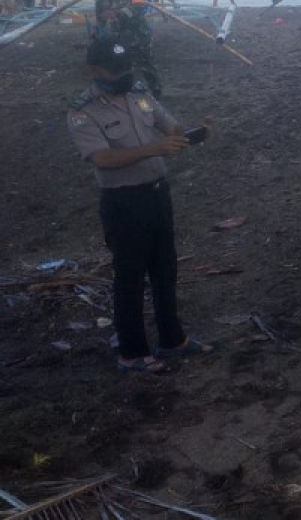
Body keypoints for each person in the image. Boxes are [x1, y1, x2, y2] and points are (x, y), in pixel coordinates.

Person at [67, 38, 214, 373]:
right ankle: (132, 353)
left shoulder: (139, 92)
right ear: (93, 71)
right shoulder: (83, 110)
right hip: (123, 201)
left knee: (165, 270)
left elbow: (169, 126)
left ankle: (172, 340)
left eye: (126, 68)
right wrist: (154, 149)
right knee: (130, 277)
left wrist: (194, 133)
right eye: (114, 70)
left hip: (157, 194)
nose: (123, 75)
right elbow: (102, 158)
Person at [94, 0, 161, 97]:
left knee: (145, 65)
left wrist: (118, 13)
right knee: (119, 65)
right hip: (117, 36)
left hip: (137, 34)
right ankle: (123, 94)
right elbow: (99, 12)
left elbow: (138, 6)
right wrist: (100, 24)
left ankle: (156, 93)